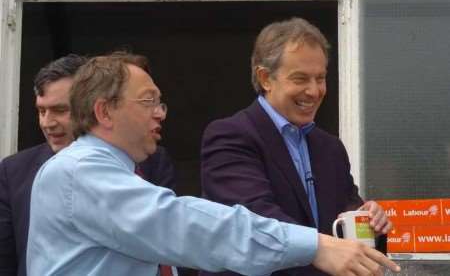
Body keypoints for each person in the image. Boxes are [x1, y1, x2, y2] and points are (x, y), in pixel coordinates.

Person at [26, 51, 400, 276]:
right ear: (104, 112)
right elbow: (186, 225)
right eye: (148, 102)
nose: (160, 115)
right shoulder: (81, 173)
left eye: (161, 104)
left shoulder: (103, 171)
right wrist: (315, 246)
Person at [200, 17, 393, 276]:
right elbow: (258, 222)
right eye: (300, 79)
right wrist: (324, 249)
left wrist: (369, 221)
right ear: (266, 78)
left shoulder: (330, 148)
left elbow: (346, 216)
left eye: (321, 78)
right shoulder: (230, 137)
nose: (314, 91)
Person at [0, 54, 177, 276]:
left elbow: (171, 237)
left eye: (60, 110)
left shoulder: (152, 159)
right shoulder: (14, 170)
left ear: (93, 106)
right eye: (41, 111)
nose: (47, 123)